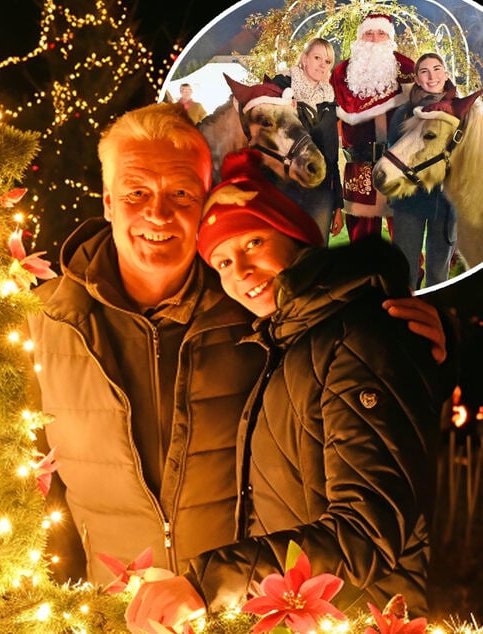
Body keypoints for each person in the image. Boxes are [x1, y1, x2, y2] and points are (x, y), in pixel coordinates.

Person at [27, 102, 447, 588]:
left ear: (203, 200)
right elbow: (16, 481)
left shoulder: (255, 307)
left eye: (181, 193)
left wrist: (423, 334)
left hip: (245, 605)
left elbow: (346, 339)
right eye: (136, 192)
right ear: (107, 202)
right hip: (111, 609)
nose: (157, 212)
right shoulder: (43, 321)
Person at [125, 149, 440, 631]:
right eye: (222, 262)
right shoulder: (287, 346)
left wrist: (210, 584)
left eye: (254, 242)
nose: (240, 271)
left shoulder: (358, 338)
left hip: (363, 620)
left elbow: (368, 532)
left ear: (295, 237)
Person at [330, 13, 414, 242]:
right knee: (362, 241)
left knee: (405, 238)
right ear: (360, 38)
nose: (375, 39)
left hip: (399, 164)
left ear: (390, 38)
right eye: (368, 33)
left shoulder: (406, 69)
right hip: (359, 165)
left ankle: (407, 268)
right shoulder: (342, 73)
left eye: (381, 33)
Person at [387, 53, 458, 289]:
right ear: (417, 79)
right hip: (410, 200)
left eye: (437, 69)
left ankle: (435, 308)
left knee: (439, 272)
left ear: (446, 74)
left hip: (446, 203)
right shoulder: (404, 113)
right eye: (424, 71)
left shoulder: (461, 111)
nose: (431, 76)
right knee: (404, 269)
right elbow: (393, 156)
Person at [270, 37, 343, 241]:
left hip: (321, 192)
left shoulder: (329, 99)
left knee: (317, 252)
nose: (322, 64)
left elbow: (331, 157)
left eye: (327, 61)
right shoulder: (281, 88)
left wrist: (338, 204)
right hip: (288, 190)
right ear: (304, 58)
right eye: (317, 57)